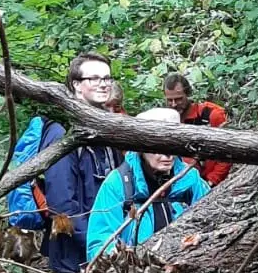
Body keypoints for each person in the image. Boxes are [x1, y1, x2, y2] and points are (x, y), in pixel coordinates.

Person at [85, 107, 210, 260]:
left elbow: (212, 222)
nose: (168, 154)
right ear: (141, 147)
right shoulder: (118, 183)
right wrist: (119, 258)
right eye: (159, 147)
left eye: (173, 145)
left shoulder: (190, 179)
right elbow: (100, 241)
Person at [40, 52, 124, 273]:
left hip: (109, 246)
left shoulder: (106, 129)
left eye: (107, 78)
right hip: (77, 257)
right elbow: (61, 204)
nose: (103, 84)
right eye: (94, 78)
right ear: (77, 85)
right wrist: (95, 246)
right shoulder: (62, 133)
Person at [164, 72, 231, 187]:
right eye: (170, 100)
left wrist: (211, 181)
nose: (174, 104)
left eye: (179, 99)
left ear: (188, 95)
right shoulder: (166, 120)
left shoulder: (212, 114)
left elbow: (228, 153)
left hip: (209, 182)